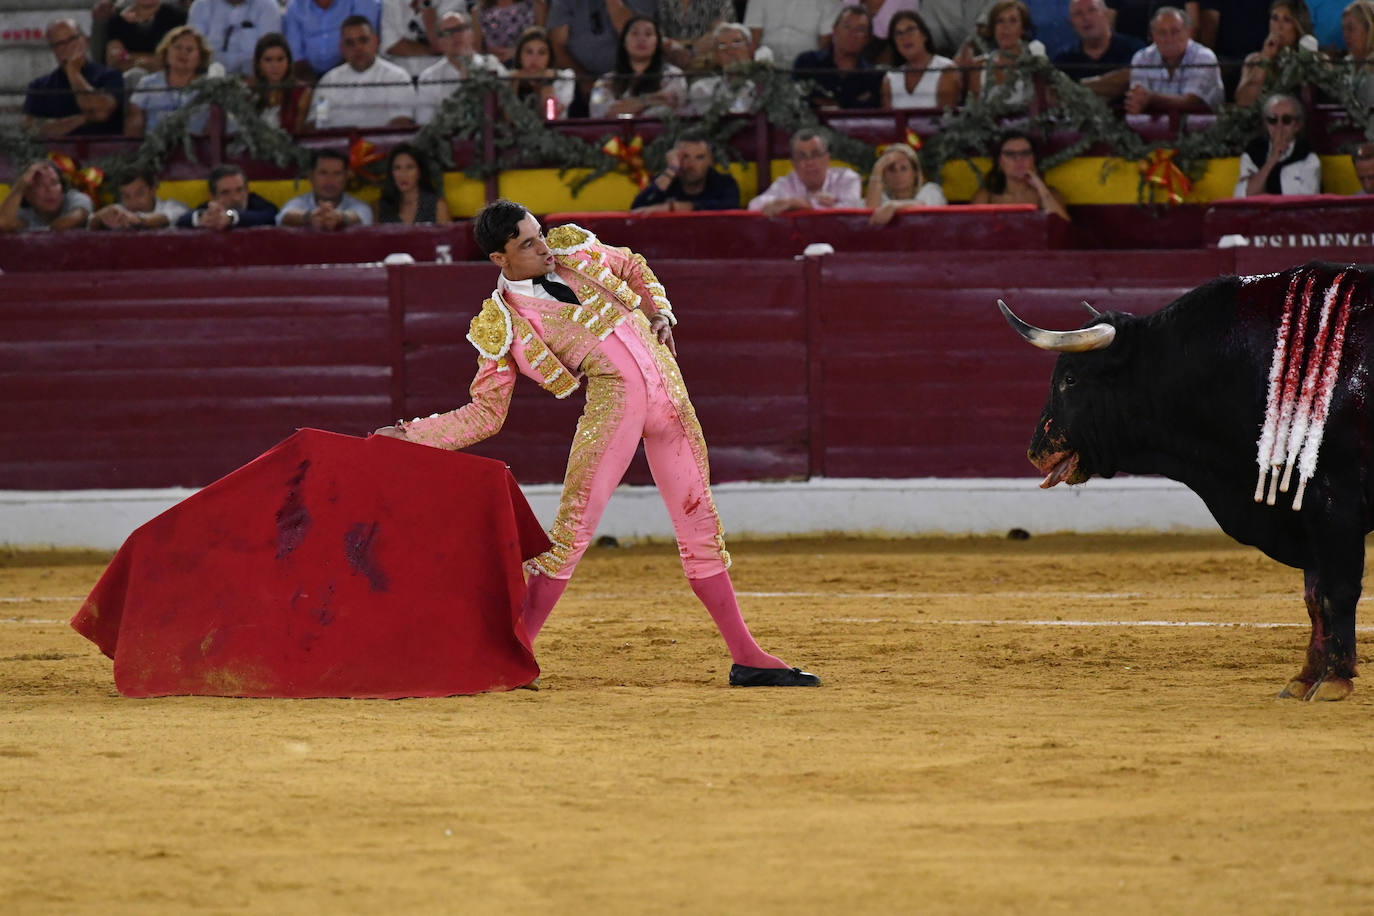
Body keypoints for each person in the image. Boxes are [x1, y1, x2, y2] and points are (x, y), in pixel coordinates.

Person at [372, 198, 821, 688]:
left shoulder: (572, 248)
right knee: (569, 537)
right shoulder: (503, 322)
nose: (544, 247)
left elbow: (632, 263)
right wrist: (411, 435)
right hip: (614, 412)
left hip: (672, 399)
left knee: (701, 529)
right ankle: (511, 655)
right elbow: (486, 413)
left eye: (539, 233)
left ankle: (747, 656)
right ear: (499, 259)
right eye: (527, 244)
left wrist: (659, 311)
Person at [547, 0, 656, 116]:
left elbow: (635, 37)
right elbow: (556, 46)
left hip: (630, 78)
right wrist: (583, 80)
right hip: (580, 81)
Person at [22, 18, 125, 138]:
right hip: (55, 154)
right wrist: (83, 118)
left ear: (84, 41)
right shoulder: (39, 86)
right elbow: (29, 128)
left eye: (71, 40)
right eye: (59, 44)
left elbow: (101, 113)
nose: (66, 48)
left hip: (104, 152)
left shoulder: (110, 76)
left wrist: (73, 73)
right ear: (53, 50)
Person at [309, 16, 417, 129]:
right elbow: (317, 121)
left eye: (363, 40)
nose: (358, 48)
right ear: (341, 48)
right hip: (336, 144)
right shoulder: (328, 82)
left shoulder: (397, 77)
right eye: (350, 43)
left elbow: (402, 122)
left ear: (376, 42)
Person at [1124, 6, 1224, 114]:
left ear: (1189, 33)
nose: (1169, 39)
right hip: (1152, 127)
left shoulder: (1204, 57)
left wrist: (1152, 98)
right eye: (1162, 32)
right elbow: (1139, 99)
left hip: (1205, 128)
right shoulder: (1142, 58)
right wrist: (1139, 102)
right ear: (1152, 36)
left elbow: (1192, 103)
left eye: (1175, 32)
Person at [416, 11, 510, 123]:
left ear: (472, 35)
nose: (455, 36)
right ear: (440, 43)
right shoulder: (429, 78)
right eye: (447, 33)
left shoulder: (492, 65)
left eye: (460, 29)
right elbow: (424, 122)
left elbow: (507, 111)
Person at [747, 129, 864, 216]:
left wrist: (805, 204)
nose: (809, 162)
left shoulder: (847, 178)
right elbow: (753, 206)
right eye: (802, 157)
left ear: (828, 158)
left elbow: (850, 210)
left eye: (816, 155)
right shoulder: (785, 183)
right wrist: (792, 202)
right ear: (793, 163)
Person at [587, 15, 687, 117]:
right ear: (624, 42)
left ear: (657, 43)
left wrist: (628, 105)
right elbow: (600, 112)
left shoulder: (673, 74)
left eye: (648, 34)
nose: (641, 39)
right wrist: (650, 100)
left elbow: (671, 103)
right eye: (634, 33)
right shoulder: (603, 81)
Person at [125, 25, 215, 136]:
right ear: (166, 53)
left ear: (200, 57)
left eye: (189, 49)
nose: (183, 53)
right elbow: (134, 124)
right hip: (153, 149)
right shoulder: (147, 84)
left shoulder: (210, 87)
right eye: (178, 47)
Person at [1052, 0, 1145, 102]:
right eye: (1078, 14)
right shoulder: (1063, 59)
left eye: (1092, 10)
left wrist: (1075, 87)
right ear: (1071, 23)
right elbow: (1056, 94)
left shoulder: (1133, 49)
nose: (1086, 18)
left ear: (1106, 15)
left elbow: (1132, 79)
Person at [793, 5, 883, 109]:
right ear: (834, 30)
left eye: (860, 29)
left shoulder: (873, 77)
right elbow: (795, 103)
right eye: (846, 26)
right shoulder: (807, 63)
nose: (852, 34)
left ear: (868, 38)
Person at [1233, 93, 1321, 197]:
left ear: (1297, 125)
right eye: (1272, 120)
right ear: (1266, 124)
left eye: (1286, 120)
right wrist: (1272, 160)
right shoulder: (1253, 152)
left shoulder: (1308, 157)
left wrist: (1263, 193)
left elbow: (1305, 202)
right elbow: (1245, 196)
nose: (1279, 126)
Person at [970, 130, 1070, 220]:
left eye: (1025, 153)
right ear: (999, 162)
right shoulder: (985, 196)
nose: (1019, 159)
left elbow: (1064, 230)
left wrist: (1041, 189)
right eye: (1010, 154)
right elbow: (974, 233)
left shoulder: (1050, 194)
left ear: (1034, 160)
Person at [631, 131, 741, 211]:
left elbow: (729, 208)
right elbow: (637, 209)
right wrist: (671, 170)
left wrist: (676, 207)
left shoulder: (725, 184)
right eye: (685, 157)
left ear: (710, 161)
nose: (690, 165)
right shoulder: (666, 181)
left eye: (699, 157)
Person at [1234, 2, 1315, 107]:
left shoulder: (1313, 60)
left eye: (1286, 20)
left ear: (1298, 26)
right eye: (1274, 18)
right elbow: (1243, 101)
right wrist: (1265, 57)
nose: (1278, 26)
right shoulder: (1254, 60)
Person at [277, 148, 375, 229]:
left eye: (337, 173)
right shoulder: (299, 202)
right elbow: (285, 216)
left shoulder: (358, 205)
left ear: (346, 177)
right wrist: (311, 216)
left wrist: (340, 217)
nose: (330, 180)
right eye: (323, 173)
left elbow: (362, 215)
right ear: (311, 176)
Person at [283, 0, 381, 79]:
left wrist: (333, 79)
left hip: (352, 71)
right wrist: (316, 87)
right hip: (308, 78)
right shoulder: (295, 6)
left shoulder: (362, 2)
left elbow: (365, 44)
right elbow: (296, 56)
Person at [962, 0, 1035, 106]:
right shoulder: (979, 66)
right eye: (1000, 21)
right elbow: (975, 114)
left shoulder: (1035, 62)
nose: (1005, 27)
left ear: (1023, 29)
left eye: (1013, 21)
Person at [882, 10, 958, 109]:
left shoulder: (946, 69)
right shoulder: (890, 78)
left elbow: (946, 119)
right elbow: (888, 121)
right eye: (898, 33)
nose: (905, 37)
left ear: (924, 35)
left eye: (910, 30)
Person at [187, 0, 283, 76]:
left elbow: (270, 51)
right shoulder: (201, 6)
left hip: (253, 83)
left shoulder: (268, 6)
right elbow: (192, 48)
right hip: (207, 81)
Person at [176, 163, 281, 228]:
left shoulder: (256, 202)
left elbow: (269, 215)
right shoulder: (211, 209)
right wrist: (203, 218)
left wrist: (230, 216)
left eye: (239, 190)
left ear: (247, 190)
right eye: (226, 193)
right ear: (212, 196)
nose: (235, 197)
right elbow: (183, 220)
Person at [0, 159, 93, 233]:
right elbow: (2, 223)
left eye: (54, 183)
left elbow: (66, 224)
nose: (49, 190)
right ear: (27, 195)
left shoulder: (76, 198)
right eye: (40, 185)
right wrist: (21, 184)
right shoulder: (23, 212)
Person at [865, 142, 946, 225]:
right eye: (891, 169)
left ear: (915, 173)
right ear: (884, 175)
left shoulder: (931, 190)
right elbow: (870, 216)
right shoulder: (882, 198)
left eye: (903, 168)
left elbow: (925, 206)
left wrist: (894, 206)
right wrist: (878, 168)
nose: (898, 174)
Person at [744, 0, 840, 67]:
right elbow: (753, 37)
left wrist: (814, 66)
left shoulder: (829, 2)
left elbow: (825, 42)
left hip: (806, 65)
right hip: (765, 63)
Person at [250, 32, 313, 133]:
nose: (275, 66)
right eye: (268, 60)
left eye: (280, 59)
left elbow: (299, 136)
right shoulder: (249, 93)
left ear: (288, 62)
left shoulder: (302, 93)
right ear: (258, 64)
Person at [88, 169, 190, 229]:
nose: (133, 202)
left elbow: (166, 218)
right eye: (126, 196)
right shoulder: (117, 210)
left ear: (153, 190)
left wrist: (138, 220)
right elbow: (91, 222)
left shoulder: (174, 206)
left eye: (139, 194)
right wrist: (100, 218)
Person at [509, 26, 577, 117]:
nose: (535, 58)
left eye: (541, 53)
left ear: (549, 57)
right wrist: (514, 81)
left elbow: (550, 119)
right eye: (529, 52)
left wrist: (547, 82)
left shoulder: (565, 78)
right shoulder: (506, 78)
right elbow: (509, 120)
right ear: (519, 56)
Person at [104, 0, 188, 74]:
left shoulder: (177, 17)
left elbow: (173, 60)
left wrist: (129, 56)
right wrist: (150, 60)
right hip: (127, 80)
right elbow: (114, 60)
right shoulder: (117, 22)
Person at [377, 143, 453, 223]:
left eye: (409, 167)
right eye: (397, 168)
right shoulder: (380, 207)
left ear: (420, 172)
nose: (403, 174)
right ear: (391, 173)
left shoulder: (438, 207)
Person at [654, 0, 734, 68]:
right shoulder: (663, 2)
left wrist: (684, 47)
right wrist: (689, 46)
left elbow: (718, 34)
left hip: (706, 64)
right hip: (669, 62)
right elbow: (658, 37)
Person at [472, 0, 546, 66]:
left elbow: (542, 41)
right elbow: (477, 50)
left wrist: (515, 51)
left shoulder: (536, 5)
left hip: (526, 67)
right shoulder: (478, 12)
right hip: (493, 69)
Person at [380, 0, 441, 79]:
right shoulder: (390, 3)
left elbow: (444, 42)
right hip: (400, 77)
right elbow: (391, 45)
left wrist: (426, 5)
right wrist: (433, 50)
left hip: (440, 77)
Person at [1341, 0, 1374, 105]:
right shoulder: (1346, 63)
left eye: (1350, 29)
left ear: (1370, 30)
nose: (1345, 35)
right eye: (1344, 29)